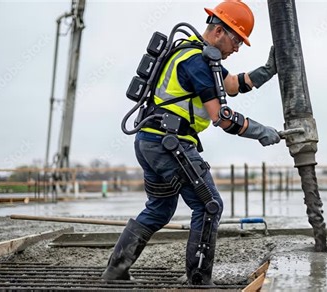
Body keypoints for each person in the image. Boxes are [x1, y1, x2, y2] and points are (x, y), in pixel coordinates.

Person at [102, 0, 280, 284]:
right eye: (236, 40)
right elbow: (221, 117)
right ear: (219, 31)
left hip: (150, 141)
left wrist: (269, 70)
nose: (237, 48)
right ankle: (199, 281)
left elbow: (231, 85)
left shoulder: (194, 55)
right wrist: (260, 131)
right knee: (210, 205)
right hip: (169, 143)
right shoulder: (197, 61)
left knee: (160, 208)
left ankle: (115, 271)